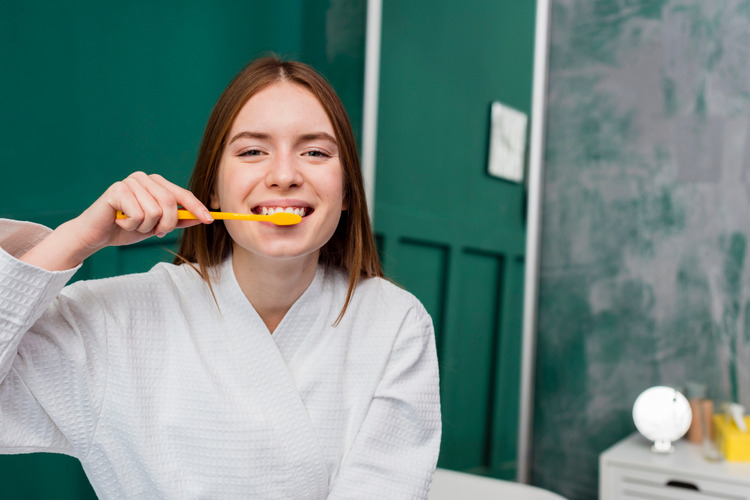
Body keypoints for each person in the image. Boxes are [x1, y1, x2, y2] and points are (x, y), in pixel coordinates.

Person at [0, 57, 441, 498]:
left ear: (346, 192)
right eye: (252, 151)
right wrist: (78, 236)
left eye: (316, 152)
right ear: (211, 188)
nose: (285, 175)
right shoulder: (113, 321)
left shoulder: (396, 322)